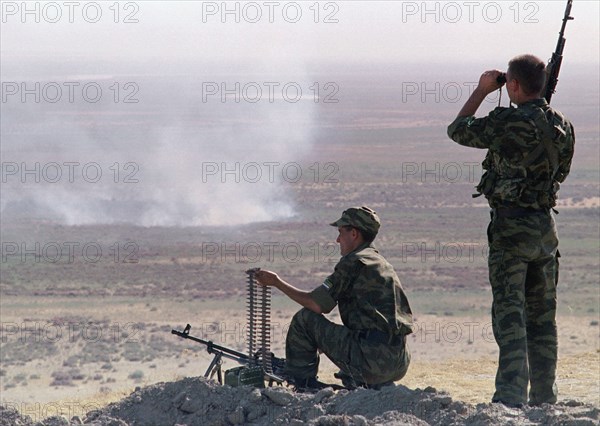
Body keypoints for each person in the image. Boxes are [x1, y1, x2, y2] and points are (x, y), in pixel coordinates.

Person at [447, 54, 575, 407]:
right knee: (543, 319)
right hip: (545, 231)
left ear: (513, 85)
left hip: (510, 231)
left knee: (510, 315)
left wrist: (482, 90)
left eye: (508, 83)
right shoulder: (563, 125)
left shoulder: (507, 122)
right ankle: (545, 397)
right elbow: (559, 175)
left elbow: (458, 130)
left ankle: (509, 397)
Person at [254, 206, 413, 390]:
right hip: (397, 361)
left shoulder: (354, 261)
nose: (338, 240)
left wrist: (276, 282)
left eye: (341, 233)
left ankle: (303, 385)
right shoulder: (380, 263)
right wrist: (323, 343)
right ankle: (357, 381)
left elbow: (316, 304)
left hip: (373, 361)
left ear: (354, 234)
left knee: (305, 319)